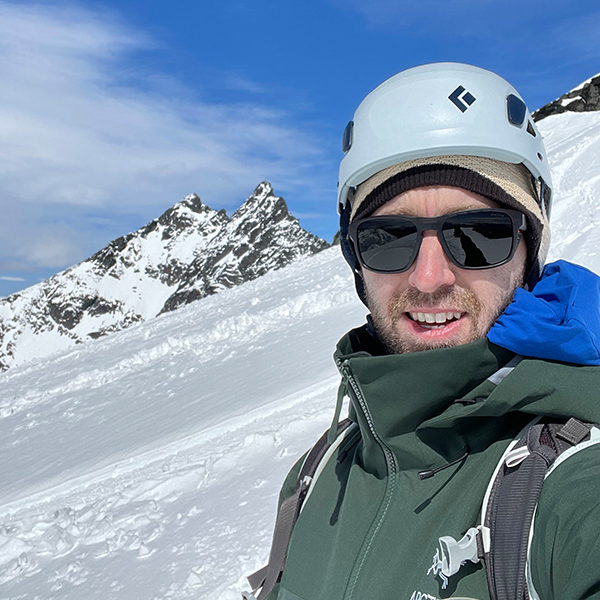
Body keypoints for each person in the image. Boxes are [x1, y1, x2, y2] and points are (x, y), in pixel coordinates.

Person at [251, 63, 600, 600]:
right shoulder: (322, 472)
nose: (429, 278)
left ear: (529, 253)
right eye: (389, 237)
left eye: (479, 235)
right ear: (356, 262)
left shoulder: (572, 486)